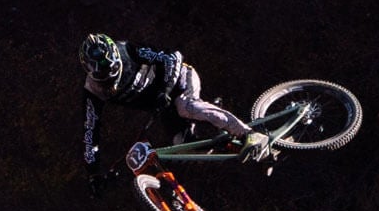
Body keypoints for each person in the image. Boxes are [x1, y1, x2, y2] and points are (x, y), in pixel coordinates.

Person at [81, 33, 270, 196]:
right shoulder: (92, 93)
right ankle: (240, 146)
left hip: (179, 80)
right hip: (165, 107)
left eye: (112, 70)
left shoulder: (129, 50)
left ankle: (249, 134)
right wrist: (93, 173)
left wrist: (165, 88)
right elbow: (90, 133)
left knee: (186, 106)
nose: (112, 78)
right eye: (104, 76)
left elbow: (172, 56)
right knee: (184, 148)